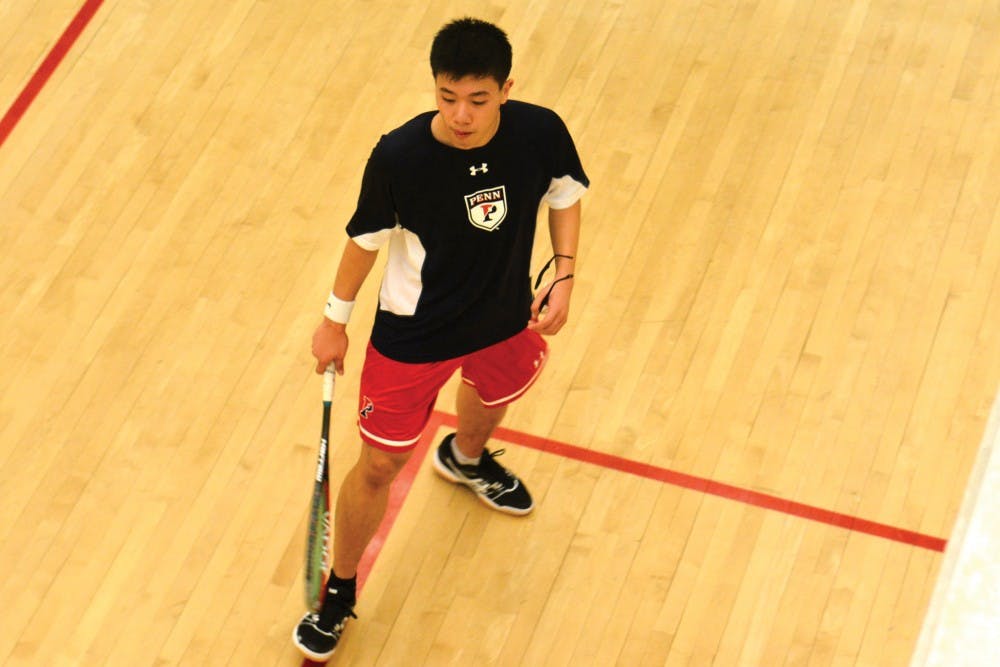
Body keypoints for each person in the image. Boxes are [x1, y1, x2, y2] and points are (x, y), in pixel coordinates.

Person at [293, 17, 589, 661]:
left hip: (506, 315)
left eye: (478, 100)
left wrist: (565, 273)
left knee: (494, 392)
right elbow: (363, 241)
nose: (461, 114)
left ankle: (466, 459)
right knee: (378, 466)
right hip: (415, 334)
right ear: (435, 86)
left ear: (506, 88)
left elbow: (565, 195)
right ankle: (339, 590)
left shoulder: (540, 132)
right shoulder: (399, 157)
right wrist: (333, 320)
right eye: (448, 96)